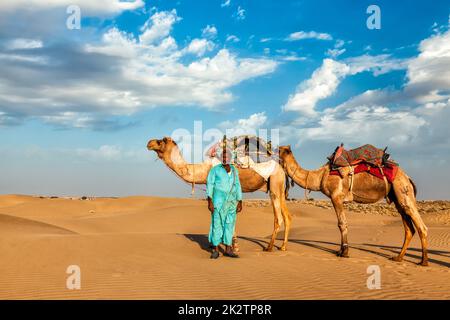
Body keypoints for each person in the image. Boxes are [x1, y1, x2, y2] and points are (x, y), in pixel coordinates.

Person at [206, 148, 243, 259]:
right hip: (218, 202)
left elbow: (238, 185)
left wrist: (240, 201)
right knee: (217, 225)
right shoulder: (215, 170)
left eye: (227, 157)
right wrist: (210, 201)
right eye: (223, 156)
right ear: (221, 158)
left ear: (230, 158)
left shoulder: (234, 171)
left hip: (232, 202)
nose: (225, 158)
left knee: (229, 225)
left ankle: (228, 249)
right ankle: (216, 249)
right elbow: (210, 185)